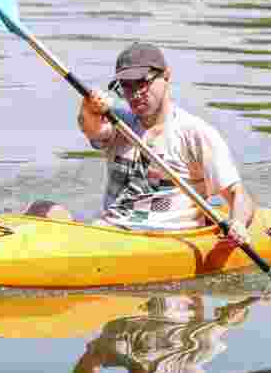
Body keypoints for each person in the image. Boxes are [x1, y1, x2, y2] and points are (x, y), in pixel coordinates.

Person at [25, 42, 254, 246]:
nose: (135, 94)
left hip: (163, 239)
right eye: (126, 86)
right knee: (41, 209)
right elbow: (90, 127)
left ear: (166, 75)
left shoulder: (195, 133)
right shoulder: (118, 121)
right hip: (110, 231)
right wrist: (89, 107)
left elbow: (238, 194)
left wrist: (239, 224)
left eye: (141, 82)